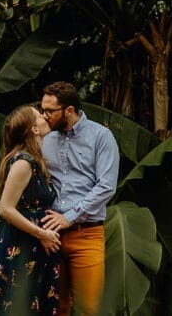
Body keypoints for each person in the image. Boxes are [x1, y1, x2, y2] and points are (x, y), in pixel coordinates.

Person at [39, 81, 120, 316]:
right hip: (49, 236)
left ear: (69, 111)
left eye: (49, 111)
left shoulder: (101, 136)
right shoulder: (45, 138)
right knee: (55, 308)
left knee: (90, 308)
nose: (44, 116)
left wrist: (69, 217)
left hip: (87, 234)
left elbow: (106, 186)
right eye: (42, 109)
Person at [0, 106, 62, 315]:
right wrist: (42, 233)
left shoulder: (36, 161)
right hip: (20, 248)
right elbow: (6, 209)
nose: (45, 116)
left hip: (33, 249)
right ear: (34, 129)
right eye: (39, 115)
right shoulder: (24, 163)